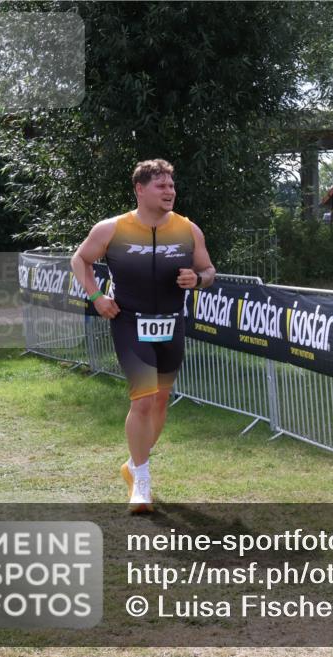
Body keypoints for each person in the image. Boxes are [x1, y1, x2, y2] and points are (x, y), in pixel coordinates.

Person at [71, 159, 215, 512]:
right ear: (140, 189)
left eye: (171, 185)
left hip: (171, 323)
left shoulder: (188, 229)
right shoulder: (112, 228)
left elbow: (208, 269)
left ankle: (134, 466)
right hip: (129, 322)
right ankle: (143, 484)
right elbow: (80, 260)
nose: (170, 191)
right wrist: (96, 297)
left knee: (162, 401)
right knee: (143, 401)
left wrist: (197, 280)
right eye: (161, 186)